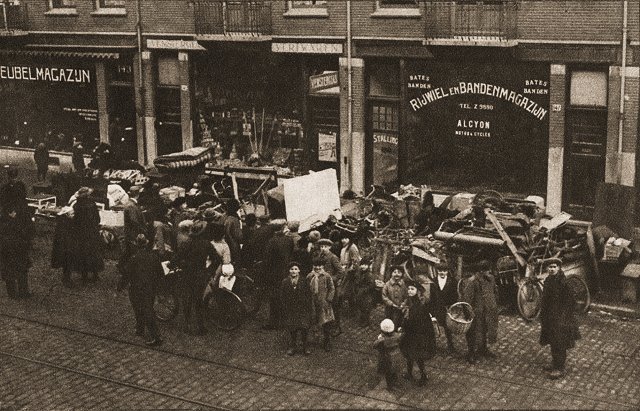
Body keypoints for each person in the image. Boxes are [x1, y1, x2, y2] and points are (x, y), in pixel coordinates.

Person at [170, 220, 220, 335]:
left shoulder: (187, 243)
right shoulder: (207, 244)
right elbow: (217, 259)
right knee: (199, 300)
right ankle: (201, 326)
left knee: (187, 299)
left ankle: (188, 325)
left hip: (187, 274)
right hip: (201, 275)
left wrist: (171, 264)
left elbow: (177, 258)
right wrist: (209, 271)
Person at [118, 234, 163, 346]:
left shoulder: (134, 258)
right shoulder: (154, 257)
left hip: (137, 288)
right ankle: (140, 329)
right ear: (147, 244)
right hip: (151, 288)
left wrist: (120, 286)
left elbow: (126, 274)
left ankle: (155, 336)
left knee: (140, 309)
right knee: (148, 307)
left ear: (137, 246)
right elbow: (160, 273)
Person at [539, 258, 581, 379]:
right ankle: (555, 363)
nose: (551, 269)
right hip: (550, 317)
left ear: (559, 268)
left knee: (560, 342)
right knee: (553, 341)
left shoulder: (564, 283)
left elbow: (570, 302)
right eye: (550, 267)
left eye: (554, 267)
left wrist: (563, 318)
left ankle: (559, 368)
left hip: (561, 319)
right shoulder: (548, 280)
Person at [399, 281, 437, 386]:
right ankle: (409, 373)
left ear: (417, 292)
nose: (410, 291)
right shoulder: (409, 301)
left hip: (418, 334)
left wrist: (405, 325)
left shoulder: (419, 304)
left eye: (412, 289)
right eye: (409, 289)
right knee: (408, 354)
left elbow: (416, 320)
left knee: (418, 356)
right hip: (410, 334)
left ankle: (424, 375)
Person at [462, 260, 499, 364]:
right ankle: (471, 353)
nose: (489, 272)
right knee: (473, 333)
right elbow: (467, 300)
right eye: (487, 270)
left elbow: (494, 292)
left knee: (485, 330)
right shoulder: (472, 282)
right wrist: (470, 314)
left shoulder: (491, 279)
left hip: (488, 312)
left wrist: (494, 305)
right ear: (481, 271)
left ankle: (483, 349)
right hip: (476, 313)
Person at [262, 220, 294, 330]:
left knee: (274, 297)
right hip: (286, 271)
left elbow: (267, 260)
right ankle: (285, 320)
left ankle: (274, 322)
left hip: (274, 273)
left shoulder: (271, 241)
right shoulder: (289, 240)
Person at [71, 187, 104, 284]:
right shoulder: (92, 204)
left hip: (81, 233)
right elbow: (97, 219)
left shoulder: (77, 205)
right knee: (94, 252)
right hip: (92, 232)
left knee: (82, 253)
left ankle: (84, 275)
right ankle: (95, 274)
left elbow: (76, 220)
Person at [0, 205, 34, 299]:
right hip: (11, 247)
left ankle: (19, 292)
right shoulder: (5, 219)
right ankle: (16, 293)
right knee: (13, 269)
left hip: (15, 246)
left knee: (17, 268)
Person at [280, 261, 312, 356]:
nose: (293, 271)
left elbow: (308, 295)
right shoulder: (285, 282)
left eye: (295, 269)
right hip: (291, 309)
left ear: (299, 270)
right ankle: (293, 346)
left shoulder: (304, 281)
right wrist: (285, 306)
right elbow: (282, 296)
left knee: (304, 328)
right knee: (292, 328)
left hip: (302, 309)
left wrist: (308, 306)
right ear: (289, 271)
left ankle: (305, 346)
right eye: (292, 269)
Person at [317, 238, 346, 334]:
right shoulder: (319, 257)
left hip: (332, 286)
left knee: (334, 307)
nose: (323, 249)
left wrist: (331, 278)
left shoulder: (333, 257)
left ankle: (337, 327)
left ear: (329, 247)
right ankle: (326, 325)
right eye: (321, 247)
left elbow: (341, 271)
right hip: (322, 286)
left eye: (325, 247)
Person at [307, 256, 335, 352]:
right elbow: (306, 289)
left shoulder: (326, 276)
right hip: (313, 303)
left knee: (326, 323)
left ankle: (327, 341)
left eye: (320, 266)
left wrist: (328, 299)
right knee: (313, 322)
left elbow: (332, 288)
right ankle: (312, 341)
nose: (318, 268)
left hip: (324, 303)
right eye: (316, 266)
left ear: (323, 266)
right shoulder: (310, 276)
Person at [432, 260, 458, 352]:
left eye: (444, 271)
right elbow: (431, 296)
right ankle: (432, 345)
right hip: (436, 308)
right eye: (440, 270)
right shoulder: (433, 281)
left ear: (447, 271)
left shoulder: (452, 281)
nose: (442, 273)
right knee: (434, 326)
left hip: (447, 308)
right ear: (437, 271)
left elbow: (455, 296)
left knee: (448, 328)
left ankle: (450, 345)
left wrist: (452, 307)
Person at [373, 318, 402, 391]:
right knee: (394, 369)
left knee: (387, 373)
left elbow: (375, 346)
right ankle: (395, 381)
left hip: (385, 358)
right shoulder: (398, 336)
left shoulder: (382, 340)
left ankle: (390, 386)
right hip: (396, 355)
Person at [339, 232, 361, 310]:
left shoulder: (352, 247)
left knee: (350, 291)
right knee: (345, 290)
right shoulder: (344, 248)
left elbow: (356, 261)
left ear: (349, 239)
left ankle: (353, 309)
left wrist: (350, 270)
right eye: (342, 238)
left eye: (345, 238)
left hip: (351, 274)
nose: (343, 240)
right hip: (344, 271)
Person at [223, 198, 243, 263]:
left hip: (224, 242)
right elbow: (238, 235)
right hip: (233, 243)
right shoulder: (234, 219)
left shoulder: (224, 216)